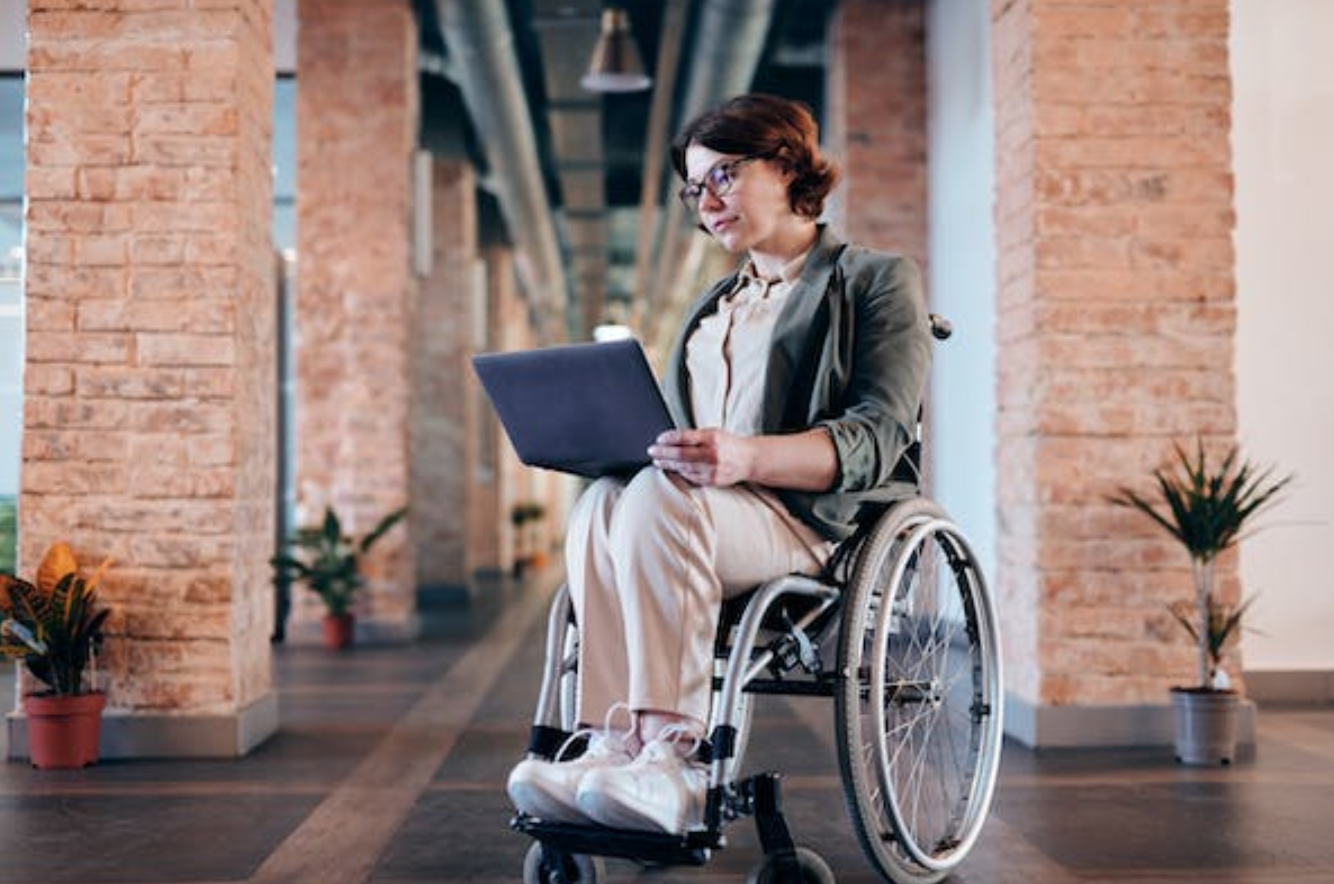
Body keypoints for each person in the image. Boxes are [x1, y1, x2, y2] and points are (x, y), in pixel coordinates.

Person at [507, 92, 932, 835]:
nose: (705, 201)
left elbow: (878, 434)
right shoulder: (713, 307)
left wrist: (743, 457)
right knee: (607, 499)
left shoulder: (871, 281)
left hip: (804, 523)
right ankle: (614, 743)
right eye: (693, 188)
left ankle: (675, 759)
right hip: (704, 517)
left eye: (723, 176)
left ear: (786, 163)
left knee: (659, 500)